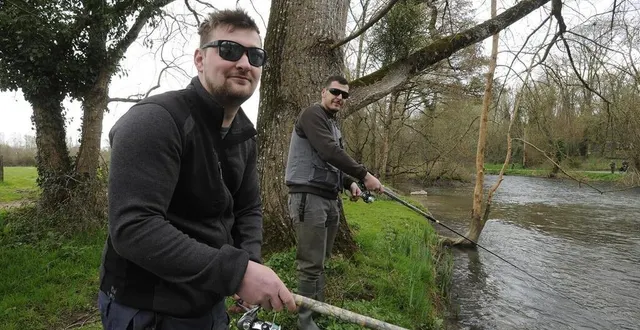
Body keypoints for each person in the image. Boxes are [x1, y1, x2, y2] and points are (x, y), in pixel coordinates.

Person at [98, 9, 296, 330]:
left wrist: (248, 262)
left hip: (209, 302)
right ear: (200, 59)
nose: (244, 63)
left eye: (255, 56)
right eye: (229, 50)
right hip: (149, 309)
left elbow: (248, 208)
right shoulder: (155, 120)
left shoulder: (244, 134)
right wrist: (236, 272)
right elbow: (135, 227)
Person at [285, 75, 384, 330]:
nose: (339, 97)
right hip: (309, 198)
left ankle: (318, 310)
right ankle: (305, 321)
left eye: (344, 95)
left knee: (321, 260)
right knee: (310, 265)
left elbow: (332, 162)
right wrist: (365, 175)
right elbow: (329, 151)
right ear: (323, 92)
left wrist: (350, 182)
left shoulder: (333, 126)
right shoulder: (312, 115)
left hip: (330, 200)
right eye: (335, 92)